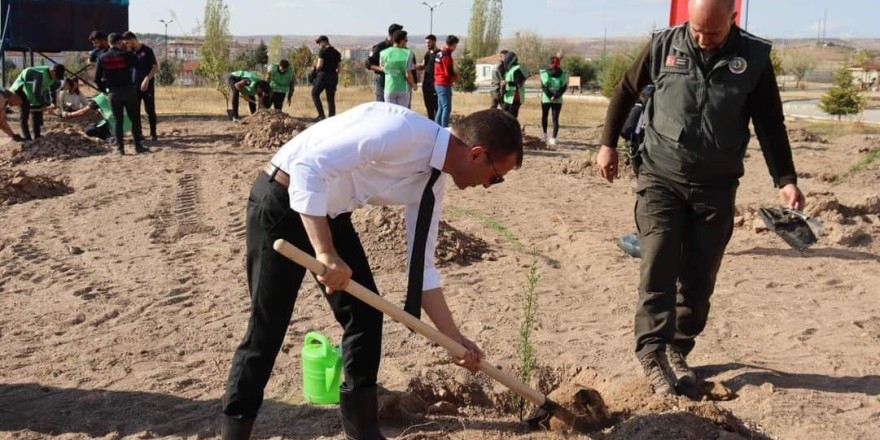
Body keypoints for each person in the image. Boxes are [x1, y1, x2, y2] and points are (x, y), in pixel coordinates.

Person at [220, 102, 523, 440]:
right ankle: (235, 430)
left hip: (332, 213)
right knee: (268, 327)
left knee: (364, 316)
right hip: (281, 201)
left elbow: (421, 268)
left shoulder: (432, 185)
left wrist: (454, 339)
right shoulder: (400, 132)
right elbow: (307, 169)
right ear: (478, 154)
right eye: (496, 177)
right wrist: (326, 253)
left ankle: (362, 430)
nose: (488, 185)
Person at [595, 0, 805, 396]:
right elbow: (625, 90)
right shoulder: (662, 45)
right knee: (657, 261)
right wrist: (606, 145)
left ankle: (677, 346)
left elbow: (770, 122)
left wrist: (786, 178)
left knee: (698, 280)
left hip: (716, 186)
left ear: (733, 17)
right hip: (661, 176)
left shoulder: (755, 58)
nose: (704, 41)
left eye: (713, 33)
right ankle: (652, 350)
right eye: (696, 31)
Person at [95, 32, 145, 155]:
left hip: (113, 92)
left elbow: (96, 78)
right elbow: (139, 67)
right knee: (135, 119)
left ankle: (120, 149)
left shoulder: (102, 57)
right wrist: (134, 84)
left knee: (118, 121)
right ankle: (138, 146)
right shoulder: (127, 55)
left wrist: (104, 90)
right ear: (119, 42)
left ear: (109, 43)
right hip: (129, 91)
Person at [8, 63, 65, 141]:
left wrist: (53, 102)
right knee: (25, 112)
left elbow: (52, 89)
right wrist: (43, 105)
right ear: (52, 71)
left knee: (37, 112)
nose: (55, 79)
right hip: (21, 90)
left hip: (32, 92)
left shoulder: (52, 77)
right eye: (56, 77)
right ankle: (27, 139)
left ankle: (37, 136)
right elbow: (36, 91)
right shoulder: (39, 74)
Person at [121, 32, 159, 142]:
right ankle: (139, 134)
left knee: (150, 110)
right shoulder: (129, 53)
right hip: (133, 87)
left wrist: (147, 79)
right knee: (134, 111)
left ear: (133, 39)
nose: (126, 45)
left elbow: (155, 67)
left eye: (127, 42)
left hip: (147, 86)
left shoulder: (147, 51)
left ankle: (153, 133)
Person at [61, 92, 132, 144]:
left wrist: (69, 114)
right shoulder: (122, 93)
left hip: (114, 125)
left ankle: (109, 138)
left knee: (89, 130)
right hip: (128, 124)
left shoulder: (100, 98)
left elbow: (82, 112)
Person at [366, 24, 403, 102]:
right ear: (393, 34)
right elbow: (368, 63)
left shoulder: (399, 47)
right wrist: (382, 69)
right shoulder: (380, 47)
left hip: (396, 81)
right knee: (382, 104)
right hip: (382, 79)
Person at [379, 30, 416, 107]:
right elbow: (407, 73)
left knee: (391, 114)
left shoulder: (383, 53)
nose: (406, 42)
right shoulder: (408, 53)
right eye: (406, 40)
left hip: (389, 87)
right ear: (401, 40)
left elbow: (382, 68)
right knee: (402, 114)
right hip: (403, 89)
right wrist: (413, 84)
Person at [540, 56, 569, 146]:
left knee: (549, 117)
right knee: (552, 118)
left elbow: (544, 87)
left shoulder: (545, 73)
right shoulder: (562, 74)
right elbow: (563, 88)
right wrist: (554, 96)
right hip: (555, 99)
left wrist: (552, 96)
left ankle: (548, 136)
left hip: (548, 98)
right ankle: (550, 136)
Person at [311, 35, 341, 121]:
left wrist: (314, 72)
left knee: (314, 94)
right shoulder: (337, 53)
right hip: (333, 77)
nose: (319, 45)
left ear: (324, 42)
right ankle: (332, 118)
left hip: (323, 76)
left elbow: (319, 65)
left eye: (319, 43)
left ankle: (321, 115)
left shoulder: (323, 51)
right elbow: (339, 68)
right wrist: (334, 75)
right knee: (330, 98)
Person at [433, 35, 459, 128]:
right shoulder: (446, 56)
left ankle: (437, 126)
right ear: (452, 45)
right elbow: (448, 72)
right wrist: (456, 76)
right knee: (446, 108)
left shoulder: (440, 53)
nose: (455, 48)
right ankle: (444, 128)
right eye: (455, 46)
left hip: (438, 83)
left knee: (440, 107)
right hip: (444, 84)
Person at [416, 34, 439, 120]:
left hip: (435, 84)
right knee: (428, 107)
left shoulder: (439, 54)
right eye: (426, 43)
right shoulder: (427, 54)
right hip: (426, 84)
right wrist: (414, 66)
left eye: (429, 42)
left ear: (434, 42)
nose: (427, 44)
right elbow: (422, 65)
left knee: (436, 107)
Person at [501, 51, 526, 119]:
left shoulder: (517, 69)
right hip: (509, 97)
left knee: (512, 118)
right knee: (503, 115)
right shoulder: (510, 69)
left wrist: (507, 82)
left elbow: (519, 83)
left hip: (515, 97)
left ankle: (513, 129)